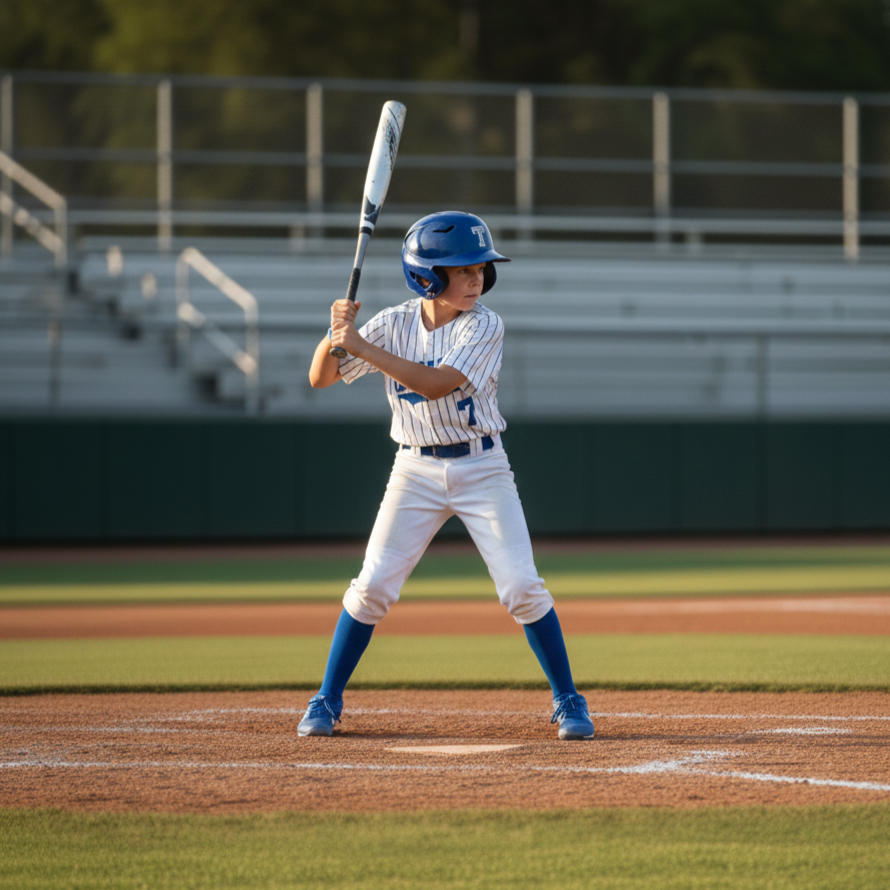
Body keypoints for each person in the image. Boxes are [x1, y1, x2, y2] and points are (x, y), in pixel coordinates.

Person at [298, 210, 594, 741]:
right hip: (413, 469)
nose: (476, 277)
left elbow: (437, 384)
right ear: (427, 276)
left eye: (480, 267)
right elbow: (321, 377)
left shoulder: (485, 324)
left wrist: (360, 346)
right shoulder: (392, 322)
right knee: (371, 588)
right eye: (461, 269)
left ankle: (568, 699)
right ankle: (326, 699)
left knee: (523, 587)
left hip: (482, 466)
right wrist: (334, 334)